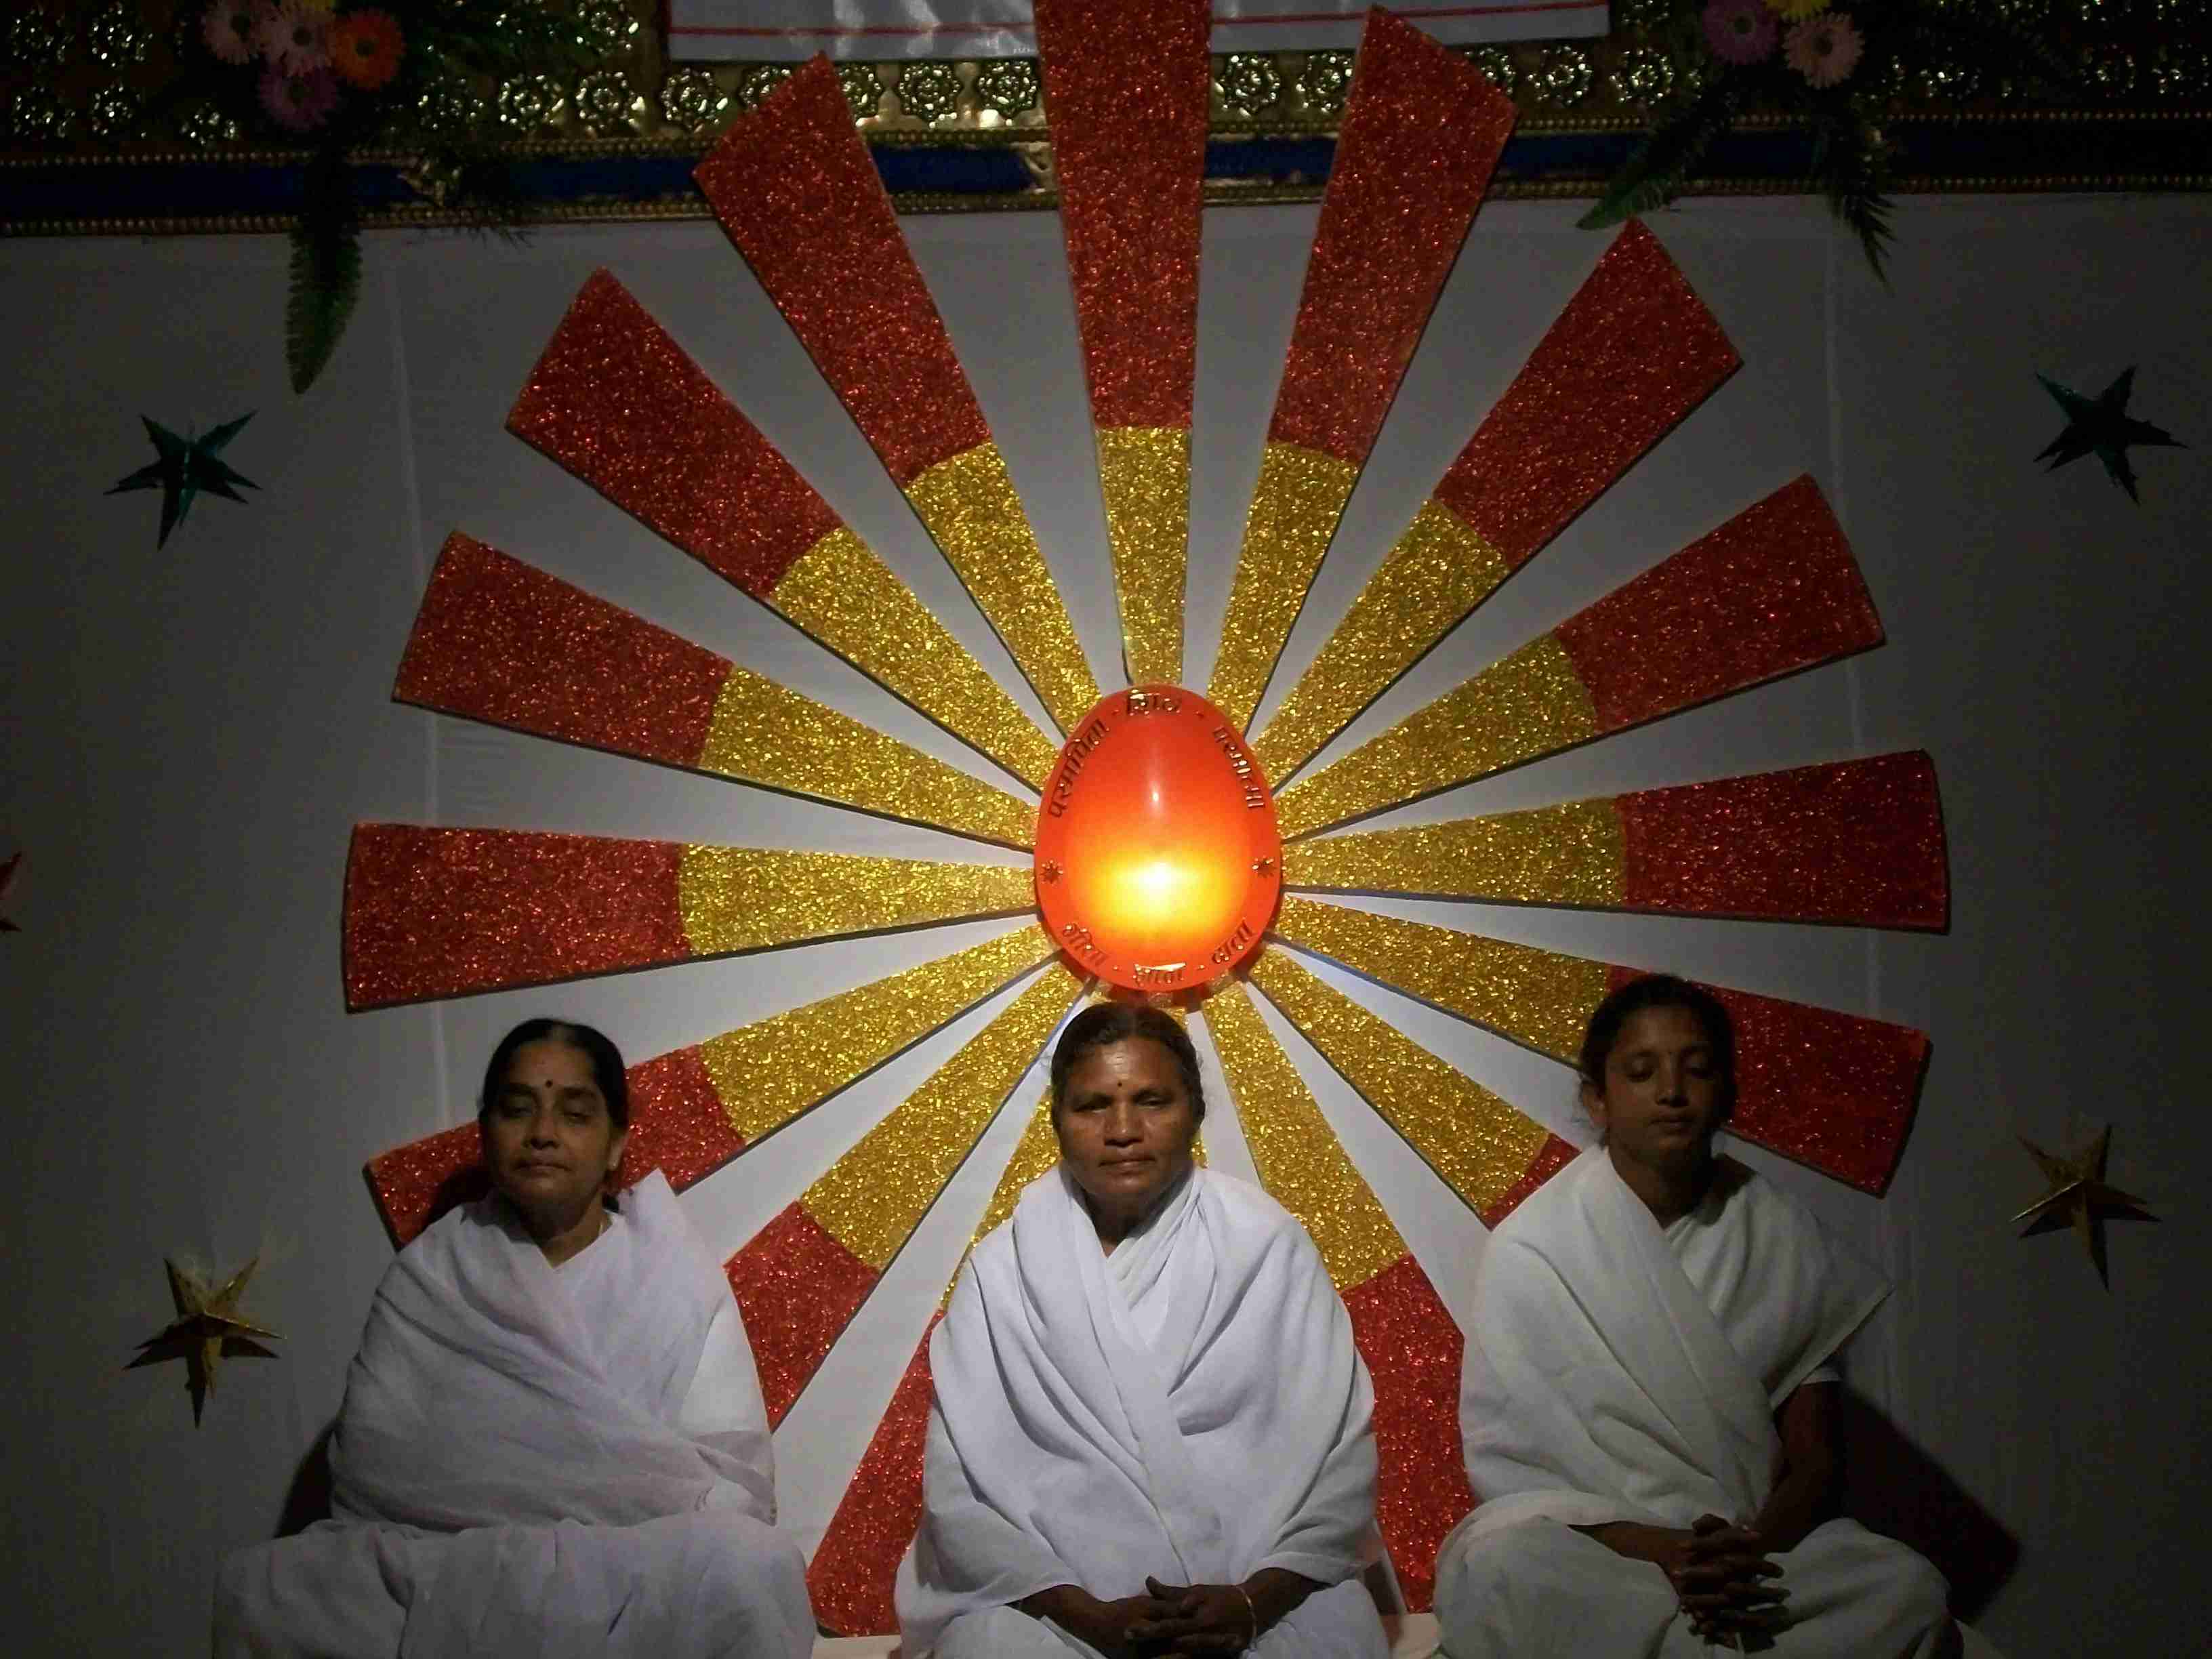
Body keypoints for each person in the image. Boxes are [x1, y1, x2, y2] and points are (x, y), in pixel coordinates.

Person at [213, 1018, 816, 1658]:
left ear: (616, 1144)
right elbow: (373, 1472)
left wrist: (567, 1545)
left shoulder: (675, 1278)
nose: (543, 1134)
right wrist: (526, 1542)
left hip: (623, 1570)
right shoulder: (431, 1274)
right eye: (518, 1109)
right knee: (270, 1586)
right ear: (486, 1132)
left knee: (752, 1563)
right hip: (448, 1561)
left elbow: (733, 1482)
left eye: (574, 1114)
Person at [1433, 975, 1960, 1658]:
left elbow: (1817, 1464)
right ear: (1597, 1098)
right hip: (1612, 1560)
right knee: (1504, 1569)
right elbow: (1520, 1483)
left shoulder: (1778, 1233)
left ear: (1729, 1093)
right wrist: (1670, 1553)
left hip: (1751, 1550)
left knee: (1906, 1589)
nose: (1672, 1092)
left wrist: (1743, 1554)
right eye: (1641, 1071)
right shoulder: (1532, 1249)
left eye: (1698, 1069)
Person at [897, 1002, 1390, 1658]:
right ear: (1057, 1121)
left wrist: (1251, 1603)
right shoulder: (1000, 1271)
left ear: (1196, 1111)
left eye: (1152, 1101)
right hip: (1061, 1610)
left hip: (1255, 1593)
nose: (1123, 1131)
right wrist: (1089, 1616)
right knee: (989, 1647)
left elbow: (1341, 1459)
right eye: (1093, 1105)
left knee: (1341, 1630)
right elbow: (963, 1493)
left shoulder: (1266, 1246)